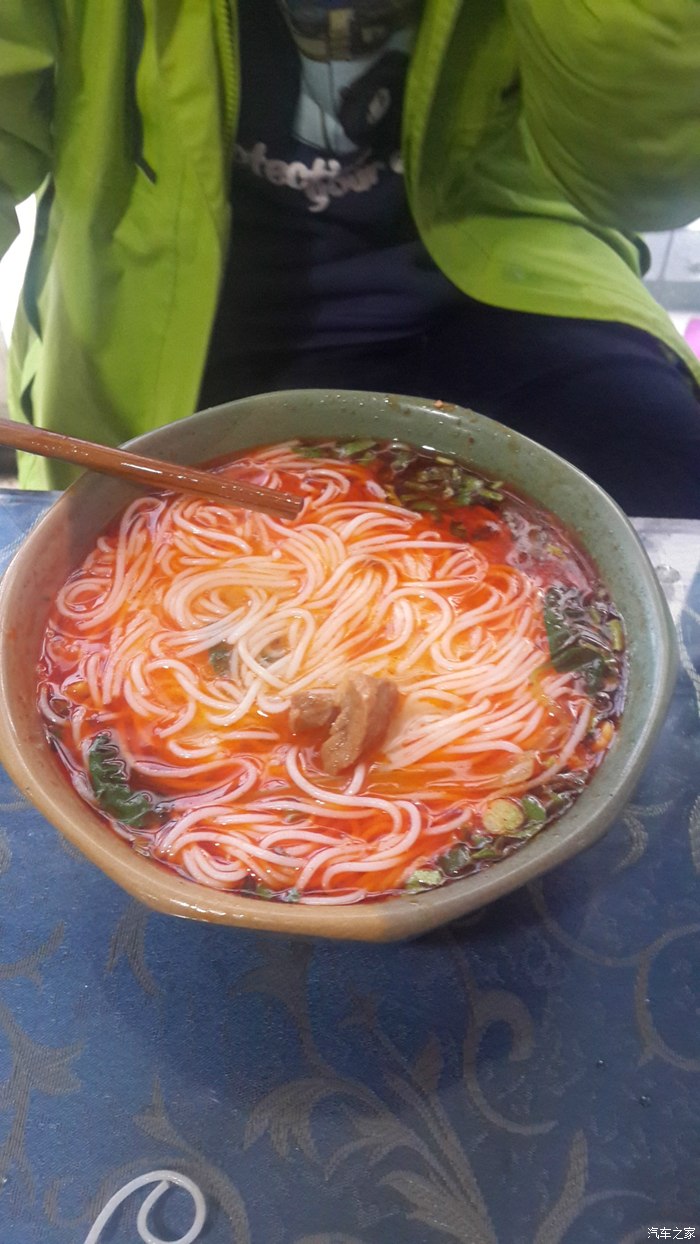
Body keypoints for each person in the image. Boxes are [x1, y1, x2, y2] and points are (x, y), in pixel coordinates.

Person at [1, 1, 699, 515]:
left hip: (505, 269)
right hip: (168, 308)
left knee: (672, 486)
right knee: (130, 587)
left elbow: (646, 177)